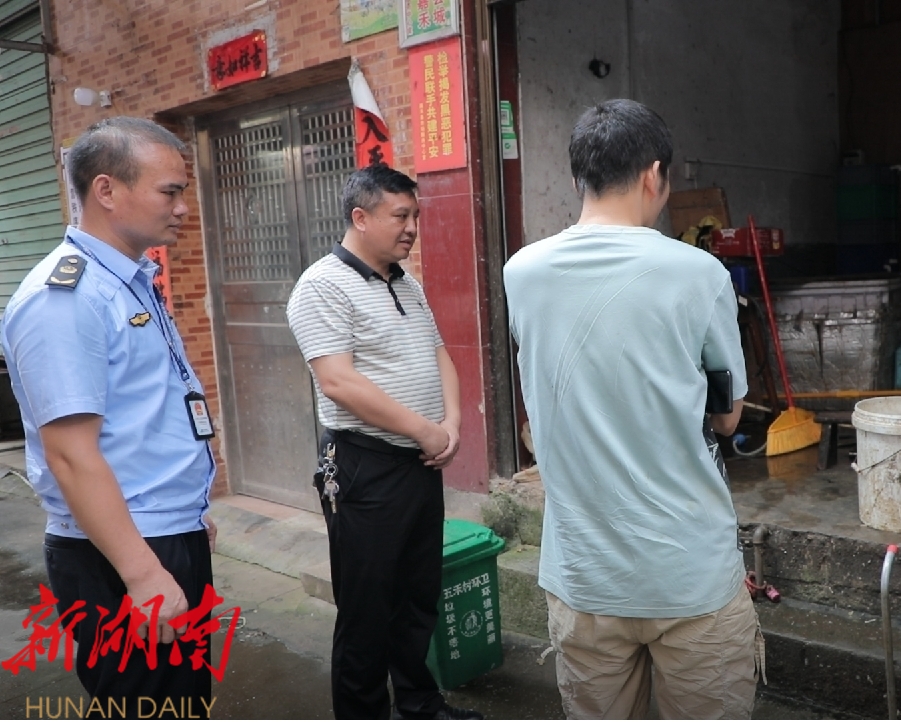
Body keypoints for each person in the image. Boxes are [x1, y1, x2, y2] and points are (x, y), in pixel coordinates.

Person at [502, 99, 762, 719]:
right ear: (654, 176)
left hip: (583, 578)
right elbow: (728, 415)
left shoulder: (521, 273)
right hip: (690, 579)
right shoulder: (700, 273)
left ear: (577, 180)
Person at [1, 117, 217, 716]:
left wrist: (185, 513)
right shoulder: (66, 299)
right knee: (147, 705)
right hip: (120, 552)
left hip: (159, 530)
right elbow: (71, 456)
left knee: (182, 702)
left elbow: (142, 416)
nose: (182, 208)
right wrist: (142, 573)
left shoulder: (127, 280)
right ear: (107, 190)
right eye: (169, 191)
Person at [286, 164, 481, 721]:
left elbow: (439, 353)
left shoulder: (406, 281)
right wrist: (425, 429)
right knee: (367, 610)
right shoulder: (322, 285)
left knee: (417, 595)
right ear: (360, 217)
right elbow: (338, 382)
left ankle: (418, 703)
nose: (412, 227)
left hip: (418, 465)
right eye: (400, 216)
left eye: (415, 215)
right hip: (363, 467)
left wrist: (452, 424)